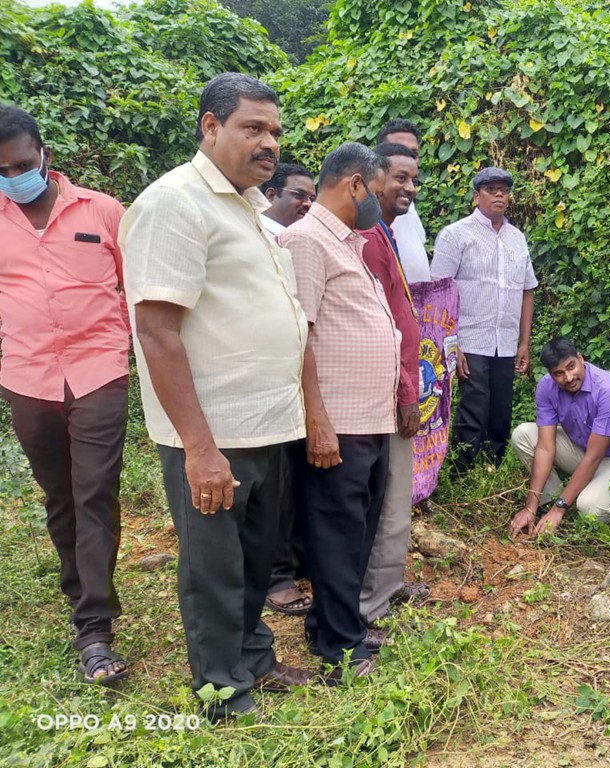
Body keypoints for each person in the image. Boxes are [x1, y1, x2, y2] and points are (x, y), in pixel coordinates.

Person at [121, 73, 312, 719]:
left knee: (254, 561)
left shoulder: (252, 208)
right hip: (212, 432)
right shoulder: (174, 203)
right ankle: (222, 690)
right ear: (210, 126)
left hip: (266, 423)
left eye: (275, 131)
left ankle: (254, 658)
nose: (270, 143)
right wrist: (200, 449)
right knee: (214, 568)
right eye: (253, 128)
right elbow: (157, 330)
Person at [0, 106, 130, 685]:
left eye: (22, 165)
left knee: (95, 490)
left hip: (99, 370)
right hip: (27, 376)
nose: (13, 177)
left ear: (44, 154)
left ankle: (94, 628)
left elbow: (137, 286)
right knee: (60, 495)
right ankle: (82, 591)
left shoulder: (102, 210)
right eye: (2, 171)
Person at [277, 142, 400, 680]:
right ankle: (340, 649)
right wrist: (317, 421)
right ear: (355, 185)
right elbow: (297, 336)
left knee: (355, 534)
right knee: (335, 537)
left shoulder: (347, 242)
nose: (381, 201)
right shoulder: (307, 241)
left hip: (368, 418)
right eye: (378, 191)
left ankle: (333, 623)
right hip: (338, 423)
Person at [356, 142, 430, 649]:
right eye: (400, 177)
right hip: (380, 390)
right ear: (374, 179)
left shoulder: (387, 233)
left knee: (394, 498)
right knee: (381, 501)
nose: (409, 188)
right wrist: (406, 392)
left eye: (414, 179)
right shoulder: (366, 238)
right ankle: (370, 604)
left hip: (398, 384)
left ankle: (387, 587)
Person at [431, 167, 537, 475]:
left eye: (504, 189)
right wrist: (452, 344)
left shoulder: (517, 239)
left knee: (501, 412)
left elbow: (527, 291)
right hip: (469, 340)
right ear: (476, 196)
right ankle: (460, 475)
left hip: (505, 342)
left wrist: (524, 342)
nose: (500, 194)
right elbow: (439, 292)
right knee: (473, 409)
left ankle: (492, 473)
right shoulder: (455, 235)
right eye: (492, 189)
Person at [508, 338, 610, 538]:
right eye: (559, 373)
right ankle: (551, 499)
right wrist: (530, 506)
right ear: (550, 374)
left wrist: (559, 509)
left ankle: (575, 503)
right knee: (523, 434)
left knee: (590, 508)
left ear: (580, 358)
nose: (569, 377)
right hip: (583, 449)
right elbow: (545, 447)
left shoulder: (609, 389)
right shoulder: (546, 387)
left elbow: (594, 457)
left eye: (571, 366)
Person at [259, 161, 316, 616]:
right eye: (298, 195)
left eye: (311, 197)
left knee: (300, 475)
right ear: (271, 194)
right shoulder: (259, 236)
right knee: (275, 483)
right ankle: (277, 575)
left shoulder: (302, 240)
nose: (306, 204)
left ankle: (298, 560)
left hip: (302, 378)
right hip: (269, 379)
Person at [376, 119, 430, 283]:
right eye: (398, 151)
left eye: (413, 154)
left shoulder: (407, 204)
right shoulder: (369, 222)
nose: (407, 159)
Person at [259, 162, 315, 236]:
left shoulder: (297, 238)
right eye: (300, 195)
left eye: (312, 199)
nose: (309, 204)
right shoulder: (253, 232)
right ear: (271, 195)